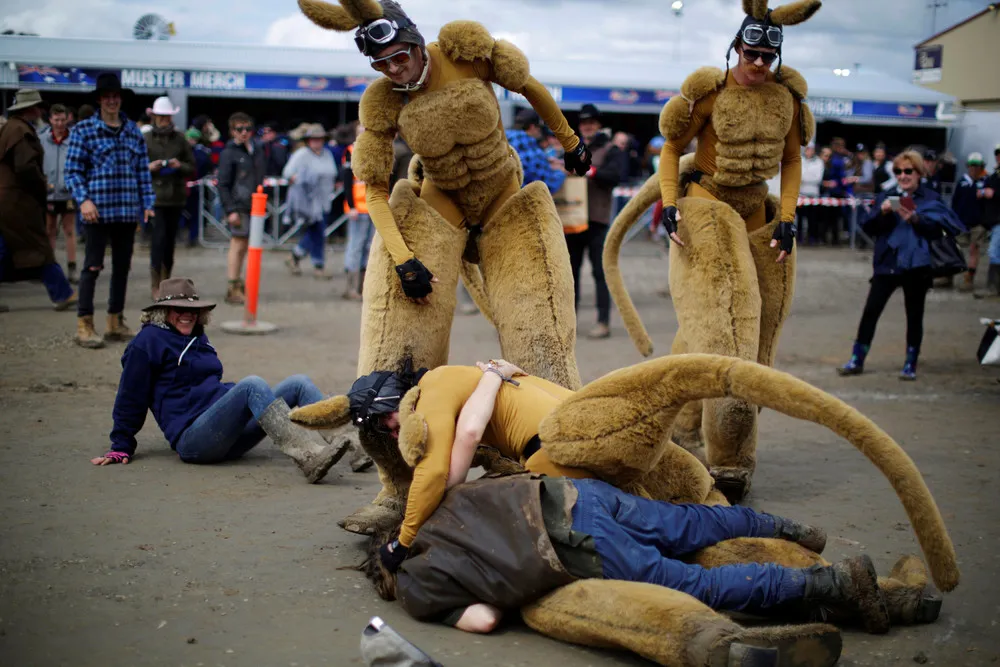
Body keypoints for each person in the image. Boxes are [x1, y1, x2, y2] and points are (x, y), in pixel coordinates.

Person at [298, 0, 593, 535]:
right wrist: (405, 259)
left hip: (505, 197)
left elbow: (530, 88)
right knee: (396, 351)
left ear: (413, 39)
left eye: (397, 56)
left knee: (538, 337)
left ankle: (556, 467)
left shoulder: (466, 50)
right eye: (380, 63)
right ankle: (400, 488)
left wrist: (570, 141)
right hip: (440, 204)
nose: (393, 69)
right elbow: (377, 192)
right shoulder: (384, 100)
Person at [640, 0, 819, 503]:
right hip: (709, 204)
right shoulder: (710, 93)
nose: (758, 64)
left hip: (756, 211)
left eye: (767, 57)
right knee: (726, 330)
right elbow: (672, 148)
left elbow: (790, 159)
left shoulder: (786, 99)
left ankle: (681, 429)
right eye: (751, 53)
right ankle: (729, 461)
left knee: (760, 331)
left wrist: (787, 216)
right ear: (736, 49)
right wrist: (672, 204)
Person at [371, 473, 889, 641]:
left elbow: (484, 620)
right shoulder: (439, 504)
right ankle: (785, 529)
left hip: (573, 544)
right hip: (578, 493)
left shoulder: (416, 590)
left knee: (693, 586)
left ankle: (828, 587)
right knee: (690, 523)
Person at [91, 276, 348, 482]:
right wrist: (121, 444)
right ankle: (307, 456)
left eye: (192, 309)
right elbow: (130, 395)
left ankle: (354, 444)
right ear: (163, 311)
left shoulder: (198, 337)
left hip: (225, 435)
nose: (187, 314)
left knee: (298, 382)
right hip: (193, 441)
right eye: (178, 309)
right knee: (252, 385)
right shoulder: (146, 342)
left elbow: (208, 387)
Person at [837, 150, 964, 380]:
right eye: (898, 171)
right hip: (887, 264)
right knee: (870, 312)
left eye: (908, 171)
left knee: (914, 316)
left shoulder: (930, 198)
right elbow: (868, 227)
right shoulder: (887, 195)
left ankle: (910, 363)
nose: (903, 176)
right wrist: (884, 212)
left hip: (917, 267)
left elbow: (940, 230)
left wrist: (915, 219)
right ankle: (857, 359)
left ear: (919, 173)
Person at [64, 73, 154, 349]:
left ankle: (115, 321)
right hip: (97, 211)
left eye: (116, 96)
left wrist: (148, 202)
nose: (113, 101)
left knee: (122, 268)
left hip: (127, 211)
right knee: (92, 266)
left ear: (120, 99)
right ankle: (85, 324)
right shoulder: (83, 130)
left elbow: (142, 171)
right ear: (100, 100)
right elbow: (73, 171)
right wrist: (84, 200)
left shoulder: (133, 131)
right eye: (108, 96)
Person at [0, 88, 77, 312]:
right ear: (31, 109)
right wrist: (41, 184)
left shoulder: (11, 128)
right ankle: (62, 293)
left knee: (7, 249)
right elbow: (25, 166)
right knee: (39, 246)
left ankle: (62, 292)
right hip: (17, 202)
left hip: (8, 200)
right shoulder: (21, 131)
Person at [570, 104, 626, 340]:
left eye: (591, 122)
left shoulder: (610, 149)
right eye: (584, 122)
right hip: (571, 220)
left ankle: (603, 322)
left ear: (598, 124)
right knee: (570, 275)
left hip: (597, 220)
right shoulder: (573, 147)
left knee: (600, 273)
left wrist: (591, 171)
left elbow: (616, 176)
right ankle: (568, 324)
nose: (587, 125)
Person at [144, 97, 195, 299]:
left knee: (169, 243)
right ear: (154, 117)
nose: (164, 120)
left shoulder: (180, 139)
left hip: (175, 197)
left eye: (167, 117)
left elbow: (191, 167)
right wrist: (149, 167)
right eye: (161, 116)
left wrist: (178, 166)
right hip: (155, 198)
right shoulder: (146, 139)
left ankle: (166, 281)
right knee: (158, 240)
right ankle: (155, 284)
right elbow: (136, 167)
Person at [217, 111, 265, 305]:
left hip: (254, 205)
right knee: (237, 245)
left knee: (246, 247)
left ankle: (240, 283)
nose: (244, 132)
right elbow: (223, 184)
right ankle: (233, 286)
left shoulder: (257, 150)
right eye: (239, 129)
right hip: (238, 206)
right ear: (232, 131)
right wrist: (230, 210)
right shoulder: (229, 153)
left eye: (247, 128)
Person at [283, 124, 337, 280]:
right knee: (318, 233)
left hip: (324, 200)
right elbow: (287, 173)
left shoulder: (327, 154)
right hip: (307, 201)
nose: (316, 142)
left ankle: (295, 256)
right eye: (313, 139)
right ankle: (318, 266)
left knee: (315, 233)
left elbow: (332, 172)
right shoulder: (301, 154)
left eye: (319, 139)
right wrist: (298, 181)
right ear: (308, 140)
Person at [40, 103, 78, 283]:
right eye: (56, 120)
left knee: (70, 230)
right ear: (50, 120)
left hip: (68, 192)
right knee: (50, 230)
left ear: (68, 118)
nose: (60, 123)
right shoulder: (42, 140)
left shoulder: (74, 140)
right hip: (48, 192)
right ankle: (50, 268)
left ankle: (72, 268)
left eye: (63, 120)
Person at [341, 123, 376, 300]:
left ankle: (363, 286)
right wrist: (351, 206)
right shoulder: (350, 151)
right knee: (355, 246)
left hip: (375, 208)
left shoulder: (378, 151)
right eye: (360, 131)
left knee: (369, 247)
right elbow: (347, 182)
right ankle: (351, 287)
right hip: (358, 209)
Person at [952, 152, 989, 292]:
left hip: (978, 223)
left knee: (974, 249)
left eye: (977, 166)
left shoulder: (986, 181)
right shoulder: (962, 182)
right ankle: (951, 273)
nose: (974, 168)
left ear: (981, 166)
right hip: (961, 222)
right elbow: (955, 202)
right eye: (972, 165)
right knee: (957, 248)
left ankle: (970, 277)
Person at [506, 109, 566, 194]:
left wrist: (546, 161)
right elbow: (547, 186)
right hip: (519, 202)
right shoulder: (532, 152)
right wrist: (561, 171)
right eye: (539, 128)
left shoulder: (503, 142)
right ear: (532, 127)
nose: (540, 132)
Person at [181, 127, 214, 248]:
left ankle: (188, 236)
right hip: (194, 188)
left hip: (188, 188)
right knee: (194, 214)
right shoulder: (203, 152)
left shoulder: (183, 152)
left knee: (189, 213)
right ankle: (191, 236)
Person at [976, 145, 1000, 299]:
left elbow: (992, 192)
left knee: (994, 252)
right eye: (997, 153)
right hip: (993, 220)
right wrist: (984, 191)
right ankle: (994, 288)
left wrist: (993, 193)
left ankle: (993, 288)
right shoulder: (995, 174)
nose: (998, 156)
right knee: (995, 252)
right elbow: (985, 189)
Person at [798, 143, 824, 244]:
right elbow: (798, 176)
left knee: (812, 218)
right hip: (801, 193)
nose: (809, 151)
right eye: (807, 149)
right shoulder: (800, 160)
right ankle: (799, 237)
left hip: (813, 194)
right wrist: (807, 177)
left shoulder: (819, 162)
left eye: (811, 149)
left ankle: (812, 237)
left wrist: (804, 177)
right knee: (800, 218)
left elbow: (818, 178)